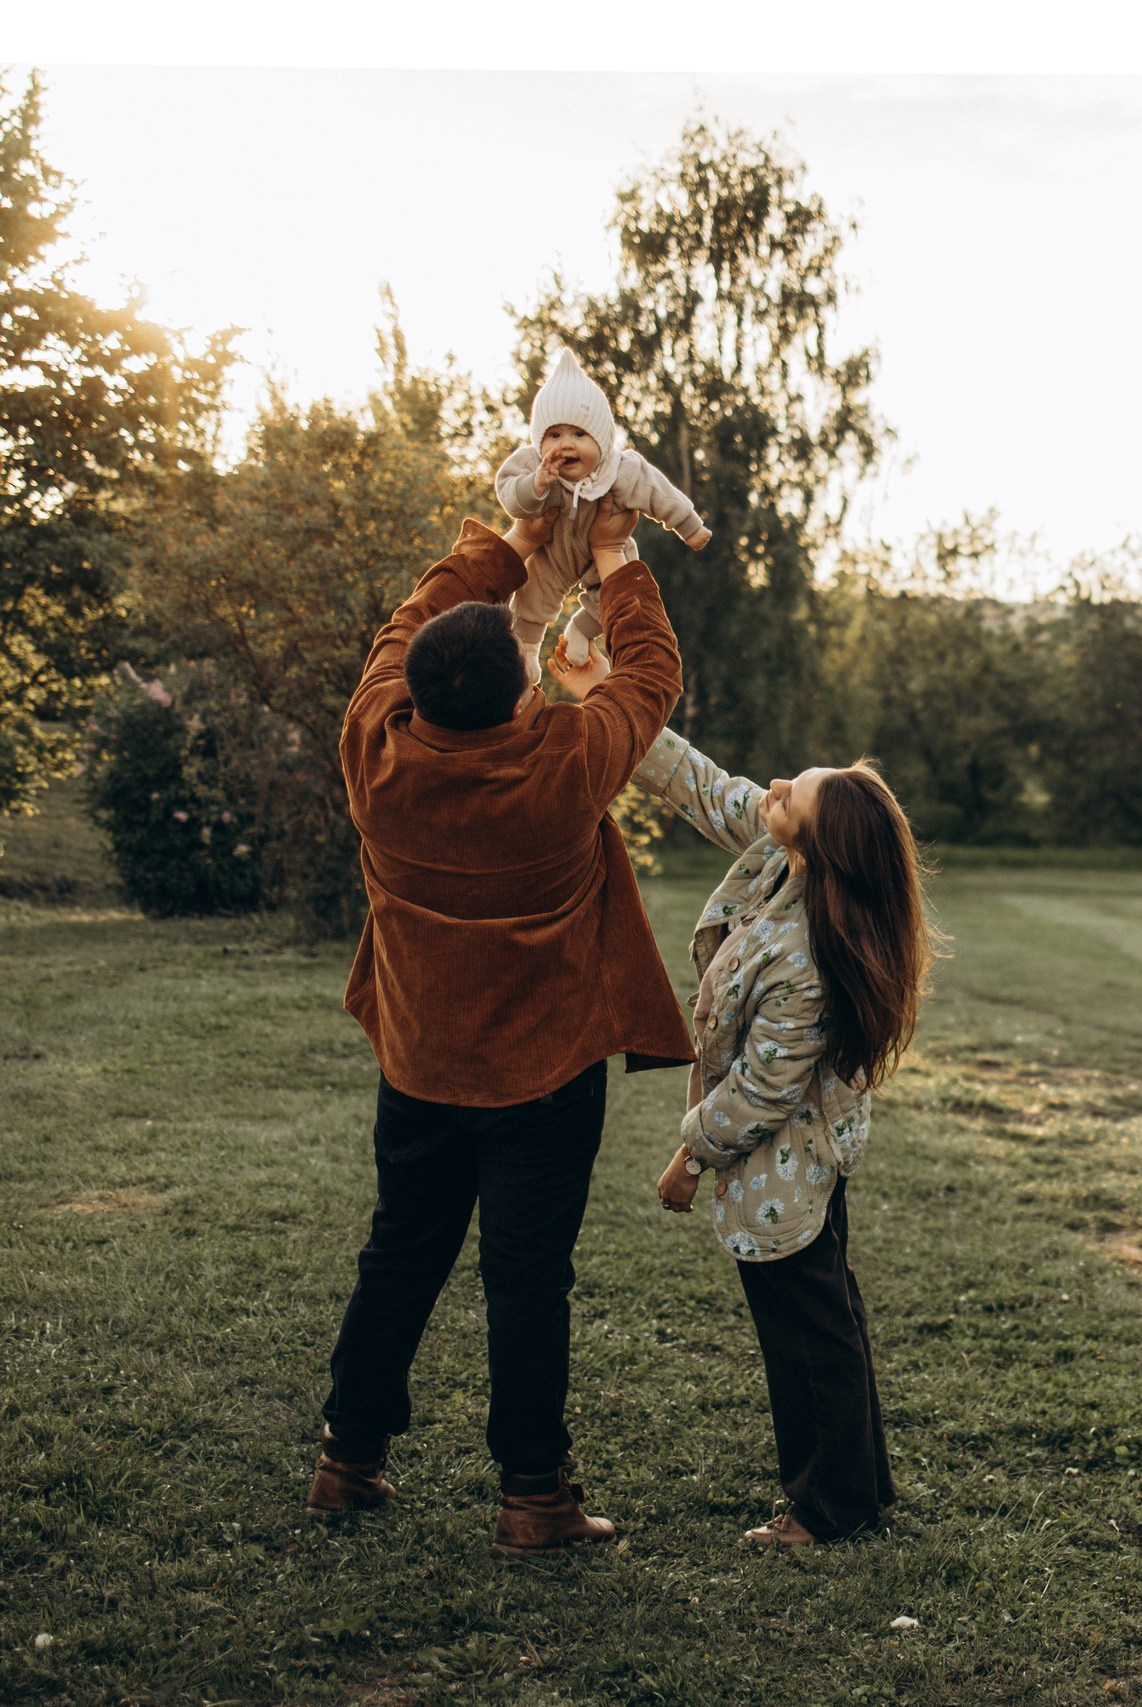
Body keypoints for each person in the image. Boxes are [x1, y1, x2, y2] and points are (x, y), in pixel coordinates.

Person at [310, 497, 696, 1559]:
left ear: (420, 693)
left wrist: (510, 548)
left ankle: (346, 1461)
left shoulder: (375, 753)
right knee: (527, 1279)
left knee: (400, 1253)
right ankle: (534, 1498)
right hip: (544, 1076)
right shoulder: (562, 763)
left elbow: (402, 630)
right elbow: (651, 678)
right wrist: (614, 557)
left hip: (422, 1064)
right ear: (520, 688)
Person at [556, 647, 931, 1544]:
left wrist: (688, 1155)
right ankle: (856, 1491)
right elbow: (697, 782)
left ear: (810, 839)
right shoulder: (782, 857)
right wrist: (601, 692)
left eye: (785, 797)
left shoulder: (807, 960)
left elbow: (762, 1092)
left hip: (787, 1165)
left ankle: (827, 1508)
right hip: (786, 1154)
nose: (766, 791)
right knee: (824, 1316)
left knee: (807, 1333)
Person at [493, 349, 711, 681]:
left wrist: (689, 526)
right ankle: (526, 651)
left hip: (606, 553)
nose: (565, 444)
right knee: (531, 592)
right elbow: (509, 496)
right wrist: (535, 486)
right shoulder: (531, 465)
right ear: (539, 442)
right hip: (551, 550)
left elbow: (659, 494)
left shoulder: (620, 470)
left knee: (616, 592)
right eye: (554, 435)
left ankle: (581, 630)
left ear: (602, 439)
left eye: (579, 434)